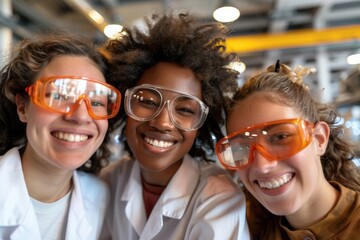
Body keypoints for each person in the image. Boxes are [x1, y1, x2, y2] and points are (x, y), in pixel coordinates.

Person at [99, 13, 250, 239]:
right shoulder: (108, 181)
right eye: (148, 102)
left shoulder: (219, 198)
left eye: (186, 110)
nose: (162, 122)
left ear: (202, 124)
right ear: (124, 103)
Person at [216, 61, 360, 239]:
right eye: (241, 149)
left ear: (319, 139)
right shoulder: (242, 227)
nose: (262, 166)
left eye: (281, 137)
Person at [0, 34, 122, 239]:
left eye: (97, 102)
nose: (81, 116)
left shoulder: (102, 198)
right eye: (59, 96)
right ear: (22, 106)